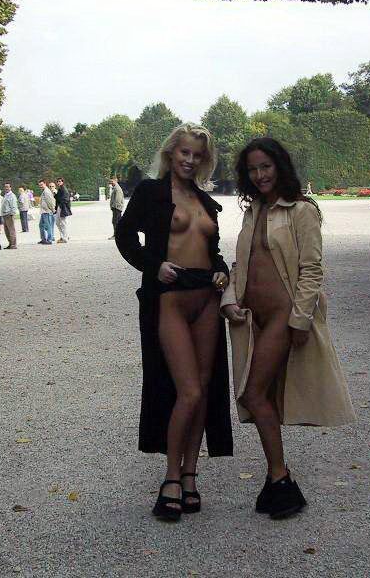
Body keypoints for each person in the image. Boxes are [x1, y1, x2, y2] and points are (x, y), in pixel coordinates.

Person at [220, 137, 356, 519]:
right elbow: (241, 263)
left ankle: (281, 479)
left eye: (265, 166)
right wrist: (228, 299)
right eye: (252, 169)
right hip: (253, 320)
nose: (260, 175)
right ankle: (275, 481)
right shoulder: (253, 211)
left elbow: (312, 270)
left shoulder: (301, 210)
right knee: (258, 395)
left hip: (282, 317)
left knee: (252, 393)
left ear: (280, 166)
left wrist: (300, 319)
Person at [115, 123, 233, 521]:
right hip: (170, 298)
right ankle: (169, 477)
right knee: (189, 392)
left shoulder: (204, 200)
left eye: (198, 155)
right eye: (185, 152)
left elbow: (212, 252)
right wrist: (154, 265)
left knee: (204, 388)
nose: (190, 160)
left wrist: (221, 272)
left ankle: (189, 475)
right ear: (171, 152)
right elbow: (125, 237)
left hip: (206, 298)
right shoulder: (151, 192)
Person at [38, 180, 55, 244]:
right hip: (43, 211)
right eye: (40, 185)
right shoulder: (44, 191)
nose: (40, 186)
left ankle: (49, 239)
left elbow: (50, 201)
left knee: (48, 226)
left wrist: (52, 209)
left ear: (45, 184)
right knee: (41, 225)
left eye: (42, 184)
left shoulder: (47, 191)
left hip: (47, 211)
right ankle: (43, 239)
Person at [54, 178, 72, 243]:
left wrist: (61, 205)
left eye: (60, 181)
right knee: (58, 223)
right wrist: (55, 194)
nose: (58, 182)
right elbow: (58, 198)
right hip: (60, 207)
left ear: (62, 182)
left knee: (62, 223)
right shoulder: (60, 189)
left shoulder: (63, 189)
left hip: (62, 207)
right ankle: (64, 236)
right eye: (57, 181)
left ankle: (64, 238)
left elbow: (65, 199)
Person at [1, 183, 18, 249]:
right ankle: (10, 243)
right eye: (5, 187)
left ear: (10, 188)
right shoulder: (6, 195)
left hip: (9, 215)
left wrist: (12, 214)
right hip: (5, 215)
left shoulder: (12, 196)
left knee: (11, 230)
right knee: (7, 231)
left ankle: (13, 244)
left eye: (7, 187)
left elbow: (14, 206)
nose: (6, 188)